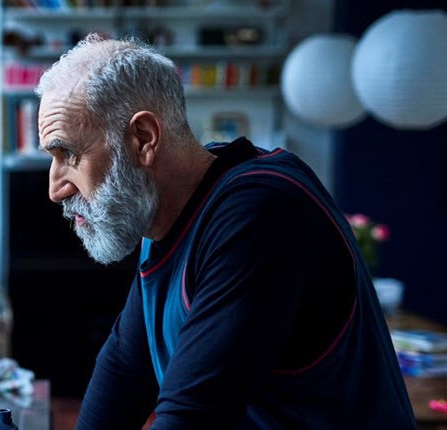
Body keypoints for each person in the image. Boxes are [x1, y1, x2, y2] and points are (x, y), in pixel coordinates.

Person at [35, 35, 414, 429]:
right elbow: (126, 368)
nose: (55, 188)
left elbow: (193, 417)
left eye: (69, 154)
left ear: (144, 138)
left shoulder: (258, 211)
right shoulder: (167, 206)